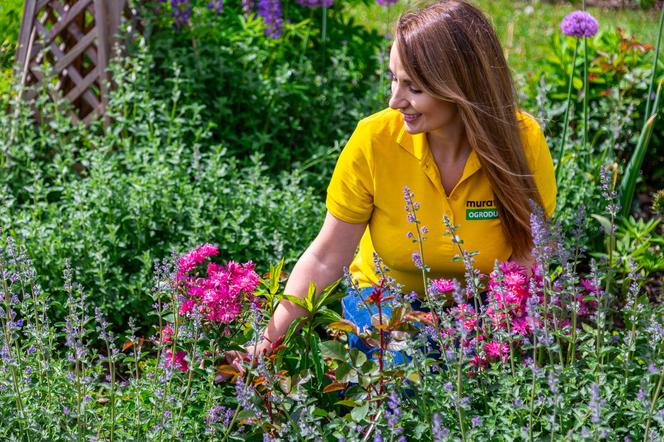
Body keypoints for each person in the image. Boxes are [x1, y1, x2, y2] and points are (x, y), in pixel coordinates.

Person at [224, 0, 556, 372]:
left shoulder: (521, 141)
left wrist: (494, 332)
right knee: (404, 371)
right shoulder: (375, 139)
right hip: (386, 302)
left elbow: (530, 255)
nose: (395, 100)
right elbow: (326, 256)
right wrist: (266, 343)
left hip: (481, 304)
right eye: (393, 79)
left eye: (413, 88)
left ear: (461, 87)